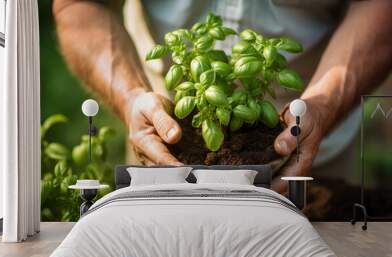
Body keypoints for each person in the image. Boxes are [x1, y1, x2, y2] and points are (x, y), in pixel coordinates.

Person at [52, 0, 392, 194]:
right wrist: (131, 97)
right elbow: (80, 5)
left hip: (317, 144)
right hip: (165, 136)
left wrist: (324, 103)